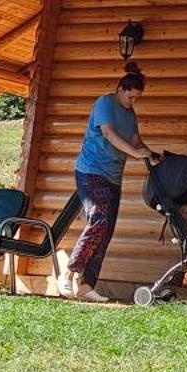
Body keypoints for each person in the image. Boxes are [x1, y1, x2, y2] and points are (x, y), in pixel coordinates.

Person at [62, 64, 160, 302]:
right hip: (91, 170)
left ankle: (86, 285)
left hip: (114, 176)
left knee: (106, 231)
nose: (132, 102)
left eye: (136, 99)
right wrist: (136, 154)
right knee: (99, 220)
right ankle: (68, 273)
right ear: (120, 89)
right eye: (130, 97)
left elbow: (136, 141)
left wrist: (151, 154)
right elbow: (108, 134)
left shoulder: (130, 114)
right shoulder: (105, 103)